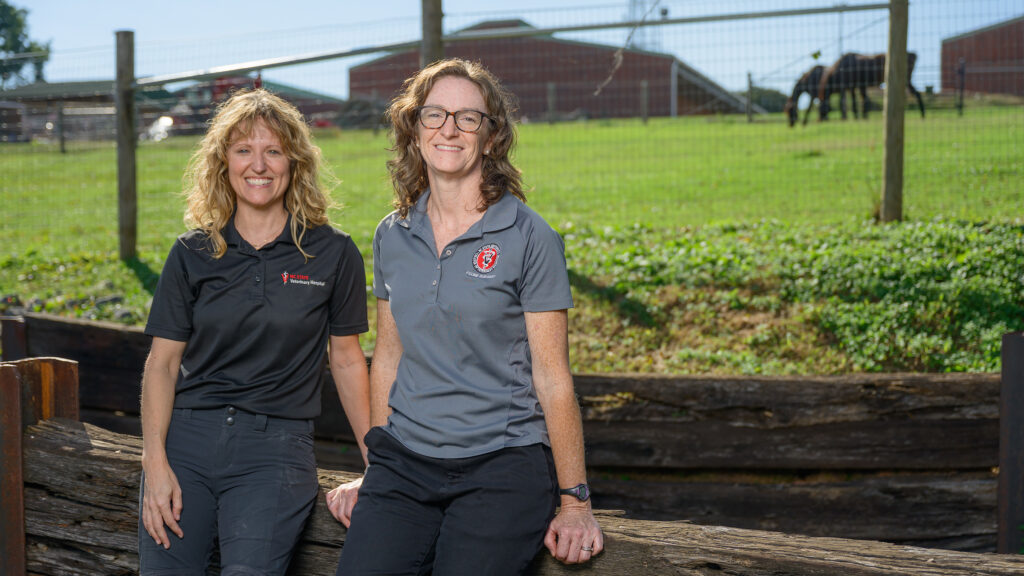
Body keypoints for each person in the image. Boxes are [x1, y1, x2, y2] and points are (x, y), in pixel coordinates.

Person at [328, 58, 603, 575]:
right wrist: (378, 463)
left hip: (502, 466)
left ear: (492, 137)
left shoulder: (530, 237)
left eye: (467, 118)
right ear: (414, 129)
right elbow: (388, 357)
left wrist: (575, 502)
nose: (449, 128)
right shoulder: (393, 233)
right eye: (434, 115)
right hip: (405, 463)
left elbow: (553, 377)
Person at [138, 88, 370, 576]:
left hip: (276, 450)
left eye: (273, 150)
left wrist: (378, 462)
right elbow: (162, 363)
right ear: (224, 162)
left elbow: (347, 359)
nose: (258, 164)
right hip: (188, 444)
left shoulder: (332, 253)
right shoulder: (192, 252)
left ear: (294, 162)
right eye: (244, 150)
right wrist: (155, 466)